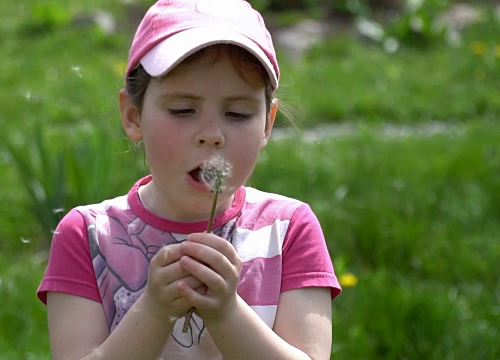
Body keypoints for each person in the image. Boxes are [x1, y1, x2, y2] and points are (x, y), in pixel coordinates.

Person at [37, 0, 341, 358]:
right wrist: (153, 311)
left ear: (268, 124)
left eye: (237, 113)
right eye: (183, 110)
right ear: (133, 116)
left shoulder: (288, 231)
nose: (212, 134)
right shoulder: (88, 238)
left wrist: (227, 313)